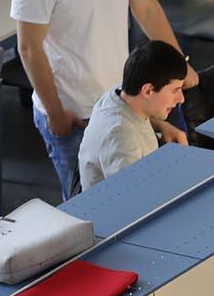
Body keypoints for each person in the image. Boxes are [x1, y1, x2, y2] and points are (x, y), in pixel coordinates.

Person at [12, 0, 193, 198]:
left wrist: (179, 66)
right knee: (88, 209)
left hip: (121, 102)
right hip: (73, 114)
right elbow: (29, 48)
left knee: (141, 195)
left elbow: (147, 7)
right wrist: (55, 113)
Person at [79, 41, 190, 190]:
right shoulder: (122, 138)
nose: (181, 99)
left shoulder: (120, 94)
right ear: (148, 90)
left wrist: (163, 126)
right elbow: (132, 199)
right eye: (175, 90)